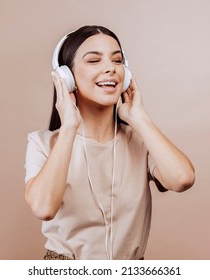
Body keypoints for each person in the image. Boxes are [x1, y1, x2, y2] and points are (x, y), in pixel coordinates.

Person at [24, 25, 195, 260]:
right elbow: (43, 208)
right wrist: (69, 127)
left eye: (117, 61)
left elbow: (182, 179)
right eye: (94, 61)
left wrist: (139, 118)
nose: (110, 69)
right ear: (67, 77)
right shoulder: (43, 143)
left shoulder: (139, 141)